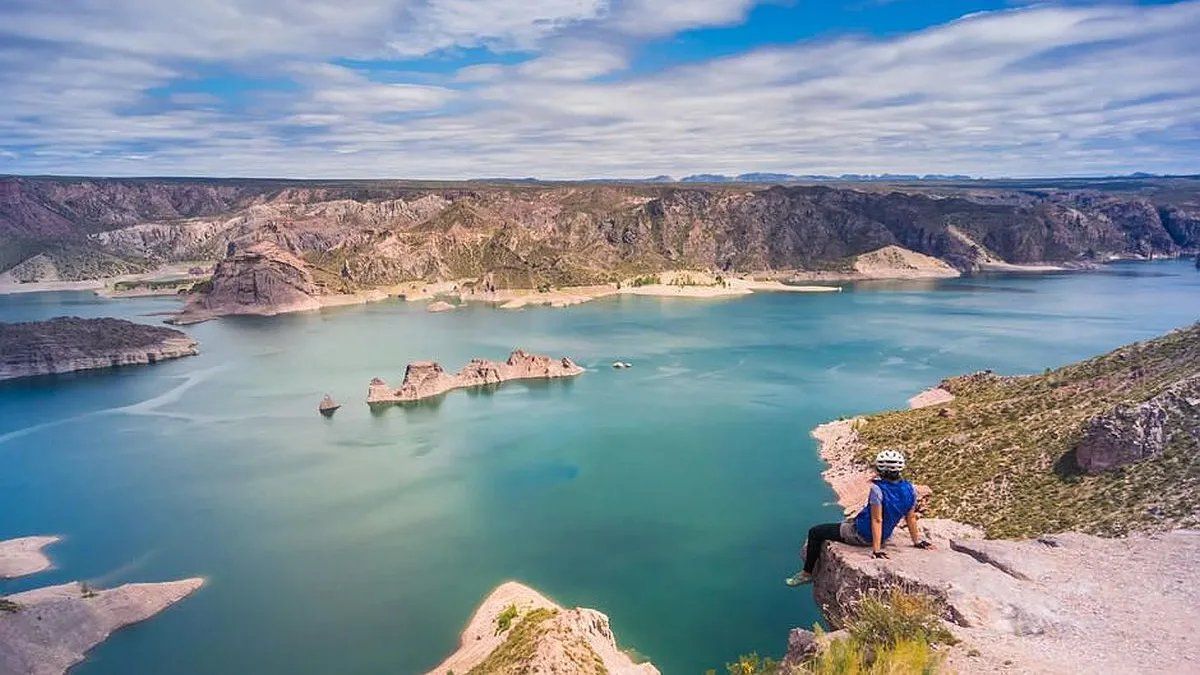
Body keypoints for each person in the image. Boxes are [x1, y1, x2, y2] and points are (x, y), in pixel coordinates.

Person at [786, 449, 932, 586]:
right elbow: (910, 517)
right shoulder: (910, 489)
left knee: (815, 532)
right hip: (884, 534)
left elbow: (877, 519)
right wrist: (917, 541)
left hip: (862, 535)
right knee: (845, 522)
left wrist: (876, 550)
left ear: (881, 469)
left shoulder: (878, 489)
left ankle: (807, 573)